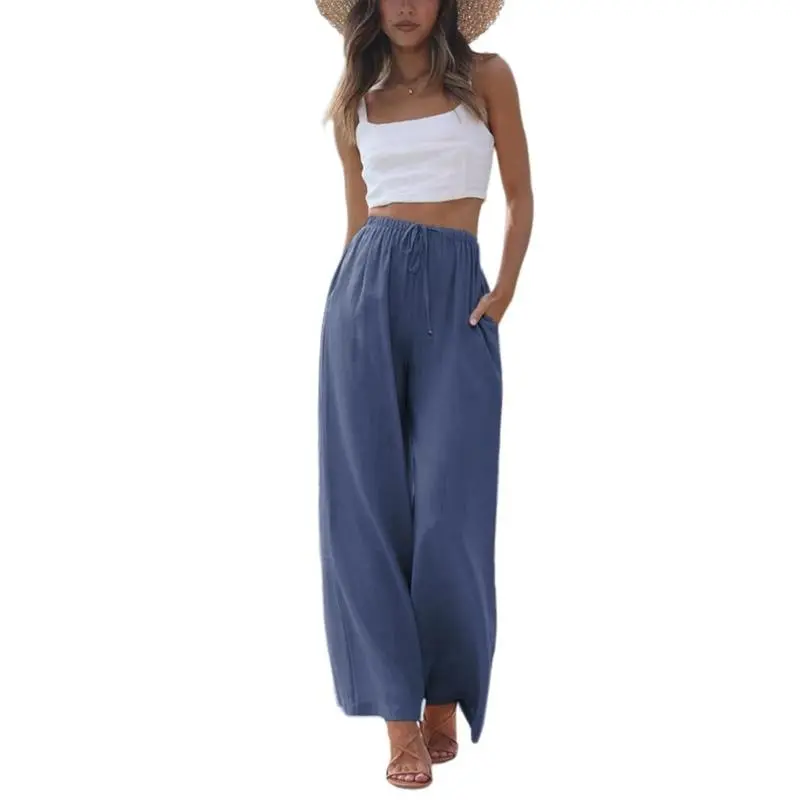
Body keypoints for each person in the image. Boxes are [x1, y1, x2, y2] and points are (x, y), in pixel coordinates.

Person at [315, 0, 533, 789]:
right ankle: (398, 720)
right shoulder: (357, 102)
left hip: (456, 296)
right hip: (364, 299)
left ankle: (445, 690)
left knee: (452, 507)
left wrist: (503, 291)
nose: (405, 5)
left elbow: (521, 195)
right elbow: (356, 220)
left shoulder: (488, 78)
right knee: (365, 511)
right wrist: (349, 313)